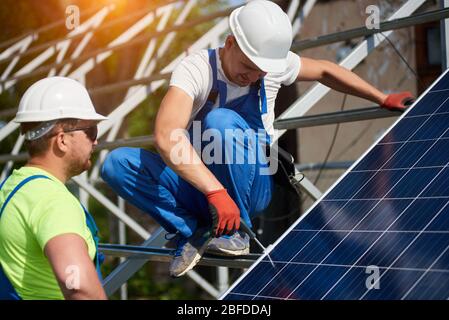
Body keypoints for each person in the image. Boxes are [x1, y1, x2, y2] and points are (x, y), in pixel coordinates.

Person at [101, 0, 414, 277]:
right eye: (248, 67)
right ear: (230, 43)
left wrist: (380, 97)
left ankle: (234, 232)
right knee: (117, 164)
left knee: (219, 121)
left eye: (260, 72)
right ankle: (194, 230)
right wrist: (213, 192)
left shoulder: (272, 67)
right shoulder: (196, 69)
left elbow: (325, 71)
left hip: (252, 183)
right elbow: (167, 134)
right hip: (204, 187)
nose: (251, 77)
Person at [0, 76, 108, 300]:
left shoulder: (11, 187)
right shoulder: (52, 201)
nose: (95, 142)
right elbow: (80, 288)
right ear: (62, 140)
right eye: (91, 131)